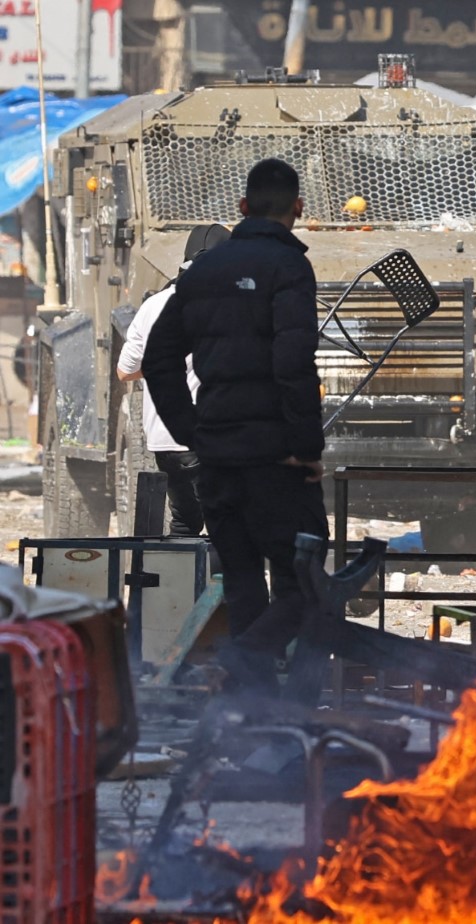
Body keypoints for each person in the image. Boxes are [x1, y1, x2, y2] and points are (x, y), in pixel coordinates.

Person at [142, 158, 327, 695]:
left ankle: (254, 715)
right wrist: (306, 447)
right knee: (305, 584)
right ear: (297, 208)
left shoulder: (200, 272)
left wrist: (193, 432)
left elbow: (159, 360)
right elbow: (294, 362)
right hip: (277, 461)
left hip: (218, 457)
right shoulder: (290, 268)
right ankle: (250, 665)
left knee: (244, 583)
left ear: (243, 208)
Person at [115, 224, 230, 537]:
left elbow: (125, 371)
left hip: (167, 443)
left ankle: (180, 585)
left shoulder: (153, 305)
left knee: (184, 526)